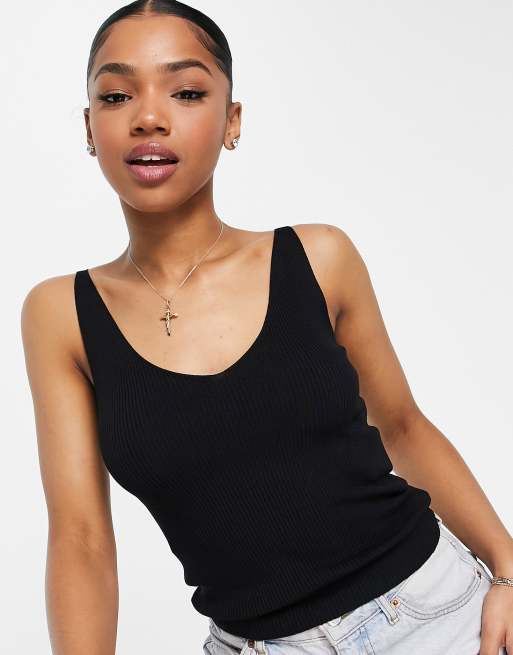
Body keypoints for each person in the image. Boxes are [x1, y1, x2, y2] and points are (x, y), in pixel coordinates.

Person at [20, 1, 513, 653]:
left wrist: (508, 567)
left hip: (435, 619)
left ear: (232, 121)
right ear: (90, 127)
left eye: (186, 92)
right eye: (116, 96)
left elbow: (401, 427)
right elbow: (80, 539)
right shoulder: (61, 315)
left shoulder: (319, 257)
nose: (148, 117)